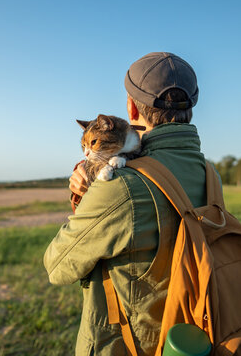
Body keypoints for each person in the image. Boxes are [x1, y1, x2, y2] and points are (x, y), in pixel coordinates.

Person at [44, 52, 209, 355]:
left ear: (131, 107)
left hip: (130, 345)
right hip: (195, 332)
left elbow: (57, 266)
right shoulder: (210, 174)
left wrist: (86, 196)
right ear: (191, 108)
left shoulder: (121, 186)